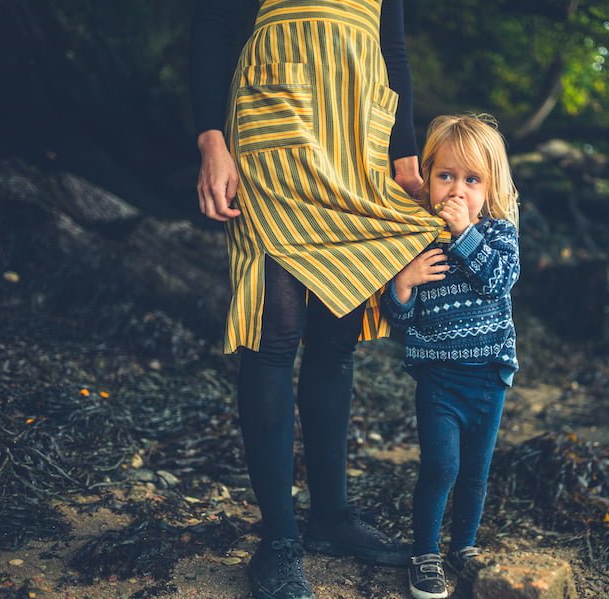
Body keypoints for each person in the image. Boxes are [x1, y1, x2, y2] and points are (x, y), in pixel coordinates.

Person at [189, 1, 444, 598]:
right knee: (273, 332)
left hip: (359, 132)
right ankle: (279, 538)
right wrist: (210, 138)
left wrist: (404, 156)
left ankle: (331, 516)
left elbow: (394, 47)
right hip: (275, 117)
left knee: (336, 338)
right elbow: (215, 22)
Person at [380, 114, 520, 599]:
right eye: (446, 176)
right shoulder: (415, 237)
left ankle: (464, 546)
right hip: (438, 378)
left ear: (489, 187)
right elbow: (398, 319)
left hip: (488, 376)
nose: (456, 190)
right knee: (441, 467)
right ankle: (424, 553)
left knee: (476, 474)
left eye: (471, 179)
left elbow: (498, 280)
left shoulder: (499, 234)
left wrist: (465, 235)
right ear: (428, 175)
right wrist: (403, 283)